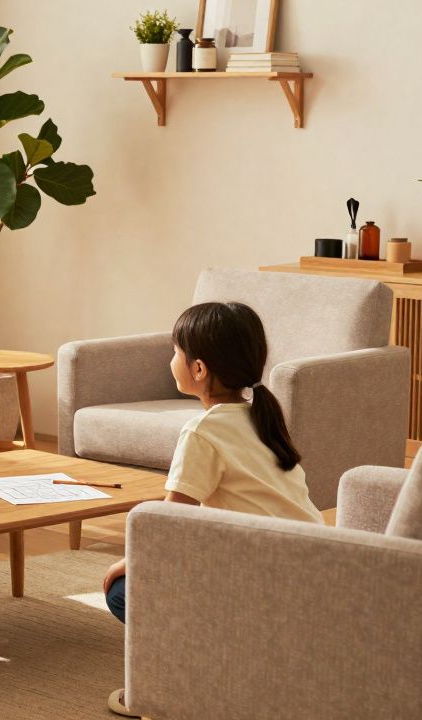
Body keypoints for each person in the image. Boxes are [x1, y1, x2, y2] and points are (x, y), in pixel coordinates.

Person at [104, 301, 322, 717]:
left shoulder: (202, 431)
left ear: (199, 370)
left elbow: (170, 525)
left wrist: (129, 561)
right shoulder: (264, 419)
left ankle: (180, 680)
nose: (171, 360)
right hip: (307, 568)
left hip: (260, 581)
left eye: (175, 352)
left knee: (121, 593)